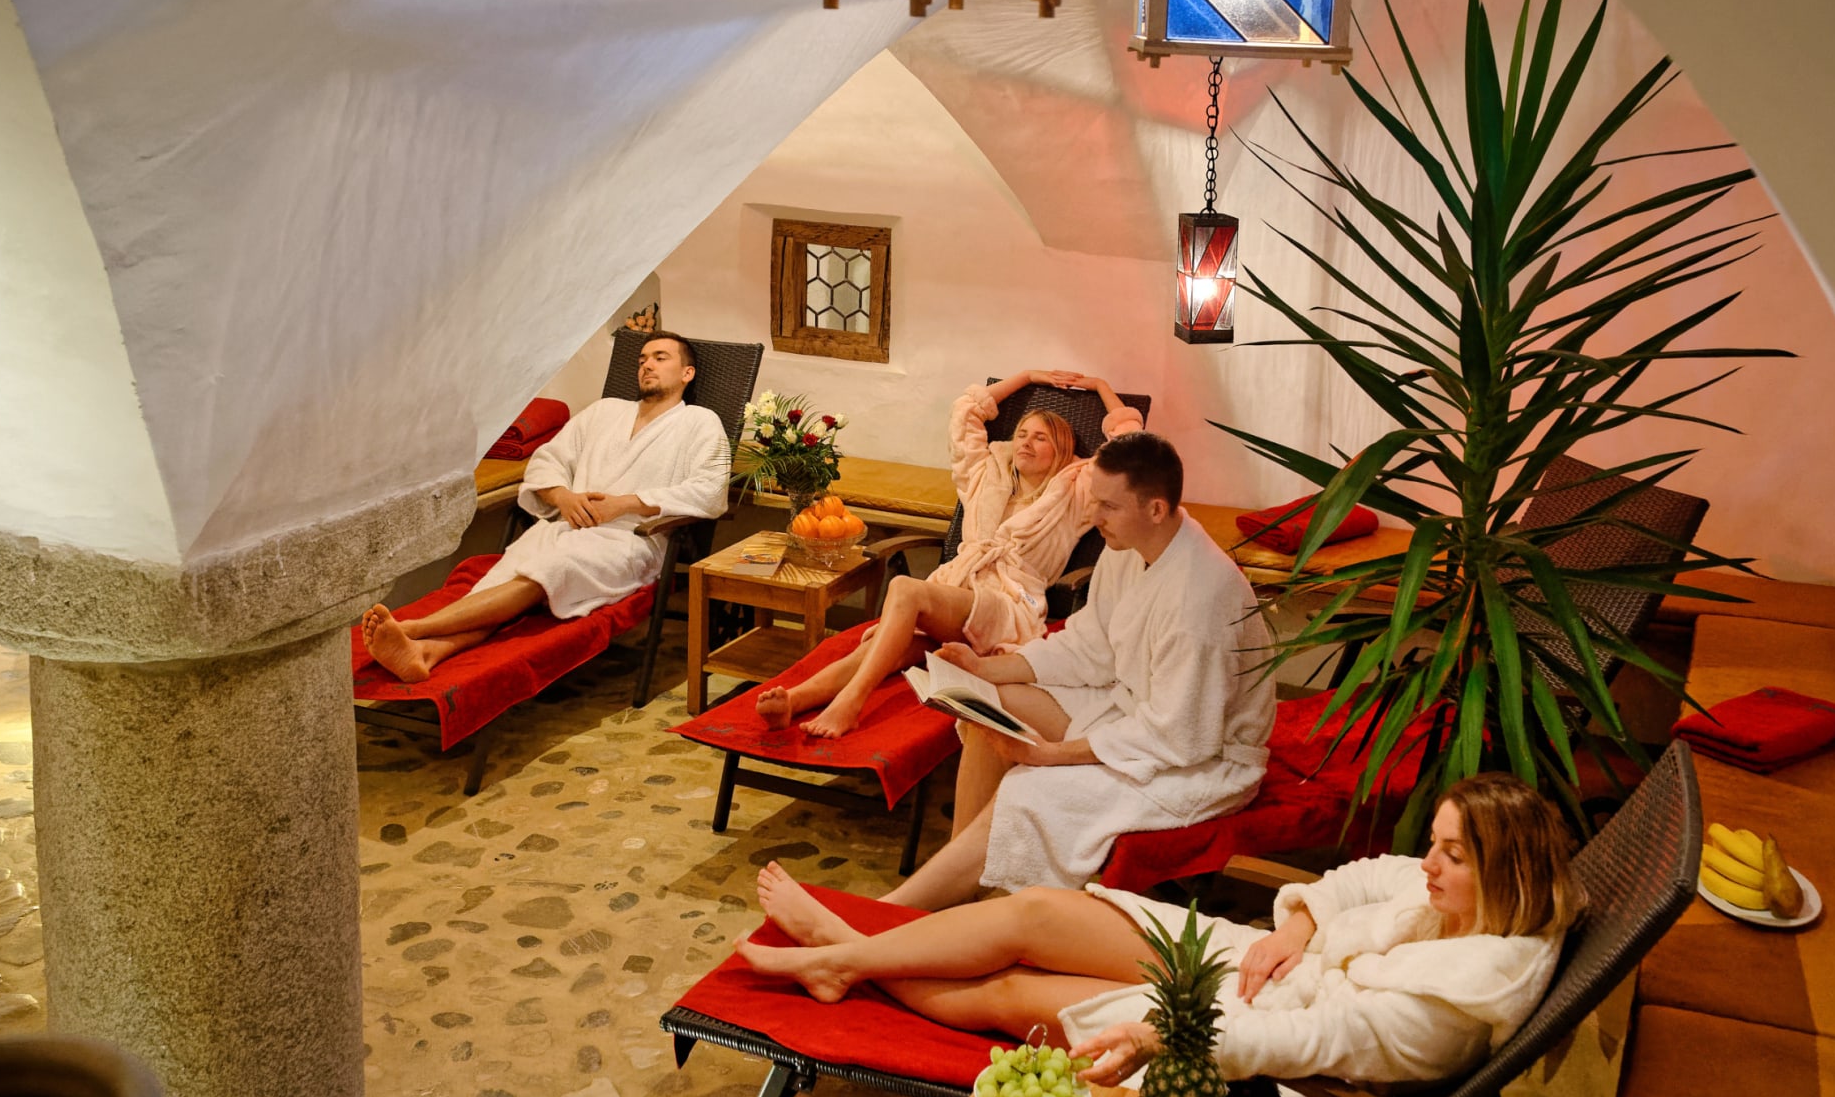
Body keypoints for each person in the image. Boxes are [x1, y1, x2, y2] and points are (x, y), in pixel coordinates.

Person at [734, 774, 1583, 1087]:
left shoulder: (1446, 1006)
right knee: (1038, 910)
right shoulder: (1454, 899)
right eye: (1432, 845)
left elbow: (1308, 1041)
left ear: (1503, 874)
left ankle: (841, 959)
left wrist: (1162, 1032)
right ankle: (847, 950)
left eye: (1451, 856)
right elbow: (1360, 876)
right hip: (1256, 966)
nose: (1426, 866)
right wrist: (1300, 924)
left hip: (1240, 1036)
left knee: (1012, 992)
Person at [880, 430, 1276, 910]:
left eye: (1107, 506)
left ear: (1155, 509)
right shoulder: (1129, 548)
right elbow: (1089, 646)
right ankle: (959, 877)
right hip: (1129, 712)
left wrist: (1053, 756)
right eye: (1094, 500)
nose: (1093, 516)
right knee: (985, 709)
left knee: (1030, 792)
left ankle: (901, 909)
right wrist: (985, 668)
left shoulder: (1200, 599)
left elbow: (1180, 736)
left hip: (1199, 764)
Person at [756, 370, 1141, 739]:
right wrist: (1027, 376)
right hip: (957, 594)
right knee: (883, 649)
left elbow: (1130, 446)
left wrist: (1099, 385)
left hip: (1009, 605)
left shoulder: (1076, 491)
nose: (1025, 442)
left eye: (1040, 438)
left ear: (1063, 449)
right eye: (1022, 434)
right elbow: (966, 411)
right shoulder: (985, 474)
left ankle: (851, 703)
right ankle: (795, 700)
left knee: (906, 589)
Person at [361, 332, 731, 683]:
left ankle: (414, 628)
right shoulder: (604, 411)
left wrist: (625, 504)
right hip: (567, 529)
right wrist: (562, 497)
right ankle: (427, 653)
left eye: (660, 358)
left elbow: (711, 489)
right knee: (505, 578)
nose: (647, 365)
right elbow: (547, 459)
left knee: (547, 571)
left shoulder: (700, 423)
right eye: (642, 359)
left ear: (687, 373)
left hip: (630, 541)